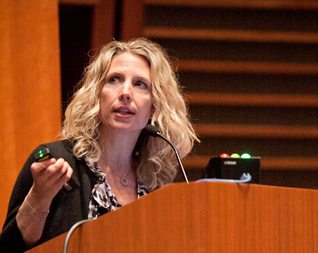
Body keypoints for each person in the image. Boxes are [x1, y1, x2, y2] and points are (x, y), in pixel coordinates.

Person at [0, 38, 199, 252]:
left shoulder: (154, 183)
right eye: (114, 79)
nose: (125, 92)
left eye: (140, 84)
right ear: (97, 96)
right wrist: (39, 198)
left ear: (154, 107)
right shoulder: (59, 163)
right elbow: (10, 248)